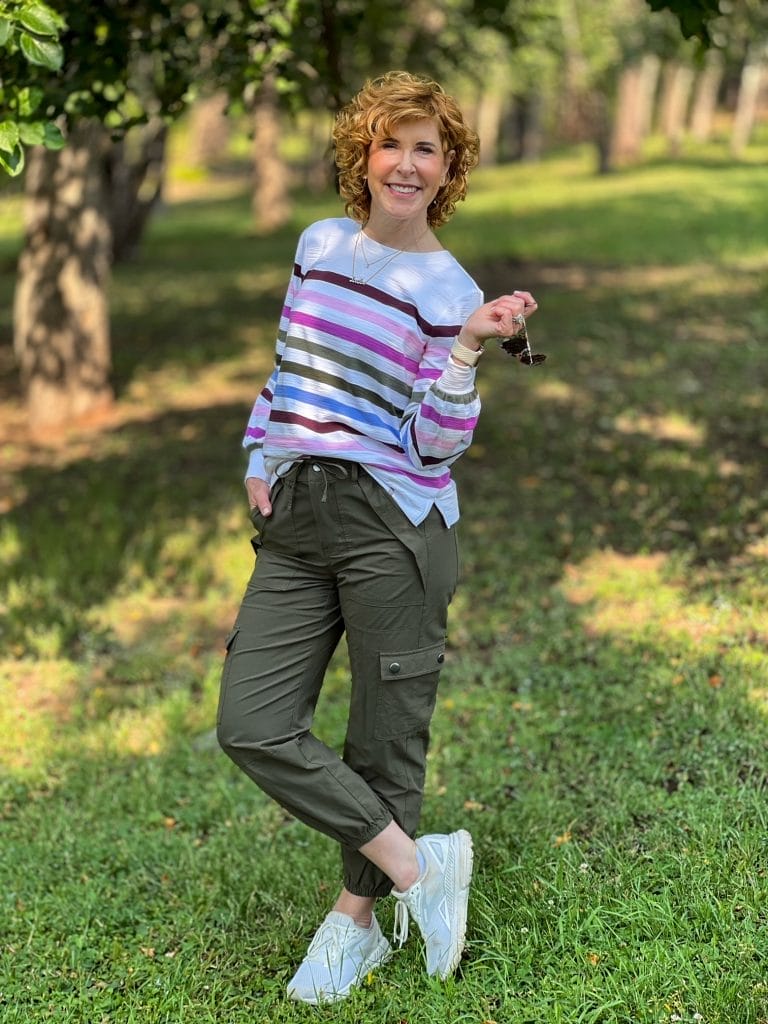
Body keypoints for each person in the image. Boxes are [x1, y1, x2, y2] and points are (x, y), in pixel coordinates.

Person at [216, 70, 538, 1004]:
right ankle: (418, 867)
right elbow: (289, 368)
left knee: (385, 740)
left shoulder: (449, 286)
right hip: (295, 514)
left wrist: (469, 348)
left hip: (391, 523)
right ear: (365, 153)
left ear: (448, 172)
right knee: (252, 722)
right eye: (391, 143)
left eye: (426, 149)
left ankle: (353, 928)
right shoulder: (319, 244)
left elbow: (436, 444)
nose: (406, 162)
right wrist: (255, 451)